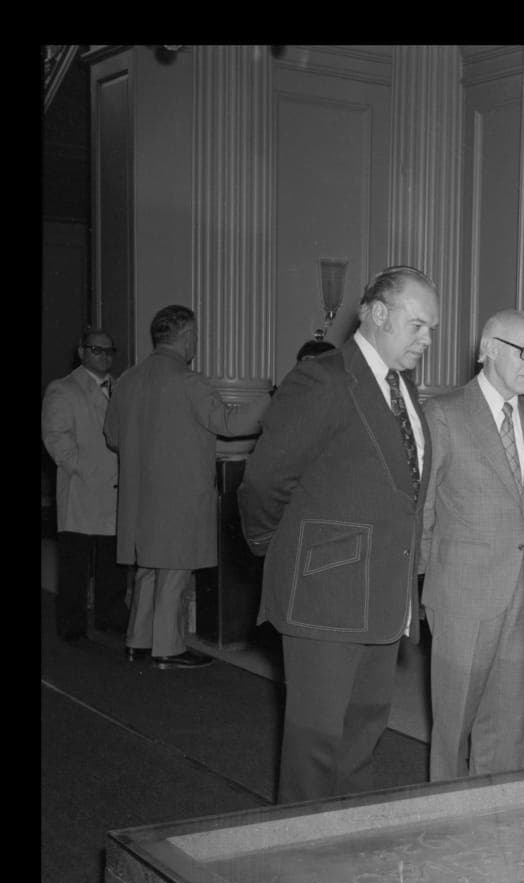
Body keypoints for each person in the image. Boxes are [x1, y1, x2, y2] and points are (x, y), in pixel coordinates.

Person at [238, 266, 438, 804]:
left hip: (383, 594)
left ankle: (345, 842)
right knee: (315, 747)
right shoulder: (323, 379)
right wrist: (273, 548)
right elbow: (264, 481)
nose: (427, 339)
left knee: (362, 737)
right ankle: (300, 850)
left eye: (431, 329)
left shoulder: (402, 387)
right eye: (418, 324)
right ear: (378, 314)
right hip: (323, 594)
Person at [420, 310, 524, 780]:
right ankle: (445, 811)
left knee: (506, 722)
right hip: (462, 593)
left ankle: (495, 809)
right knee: (453, 725)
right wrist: (427, 582)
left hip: (518, 588)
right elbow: (423, 508)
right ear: (489, 349)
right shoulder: (444, 413)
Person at [104, 305, 268, 668]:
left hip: (138, 495)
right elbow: (229, 423)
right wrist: (271, 399)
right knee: (175, 571)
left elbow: (112, 436)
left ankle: (138, 640)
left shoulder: (128, 380)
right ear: (187, 336)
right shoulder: (189, 381)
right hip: (179, 495)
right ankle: (168, 647)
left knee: (148, 568)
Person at [41, 327, 129, 643]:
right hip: (82, 488)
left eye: (109, 351)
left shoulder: (120, 388)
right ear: (82, 352)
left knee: (112, 559)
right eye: (96, 350)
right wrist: (87, 469)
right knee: (75, 564)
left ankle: (110, 615)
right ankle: (72, 626)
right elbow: (56, 439)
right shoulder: (63, 389)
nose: (103, 356)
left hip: (116, 489)